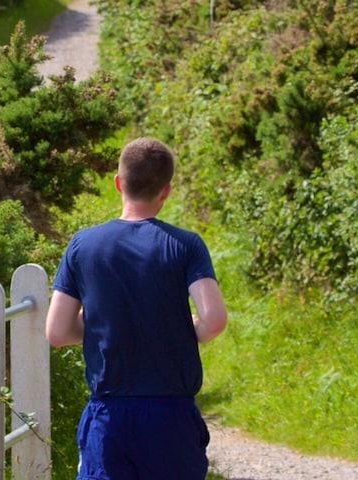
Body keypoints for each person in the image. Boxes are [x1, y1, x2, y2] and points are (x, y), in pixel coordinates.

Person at [45, 137, 227, 479]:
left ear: (118, 183)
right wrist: (182, 325)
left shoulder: (83, 245)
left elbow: (56, 332)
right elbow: (213, 320)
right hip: (171, 416)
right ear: (166, 191)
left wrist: (105, 321)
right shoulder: (185, 245)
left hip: (110, 416)